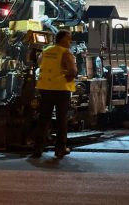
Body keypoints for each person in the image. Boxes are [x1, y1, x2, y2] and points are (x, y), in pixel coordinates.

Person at [32, 30, 77, 159]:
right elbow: (73, 71)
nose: (70, 41)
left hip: (45, 88)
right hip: (61, 90)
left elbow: (40, 64)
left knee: (43, 119)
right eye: (69, 39)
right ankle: (60, 148)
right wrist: (66, 75)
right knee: (61, 119)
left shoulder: (46, 51)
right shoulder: (65, 53)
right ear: (62, 40)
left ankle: (38, 148)